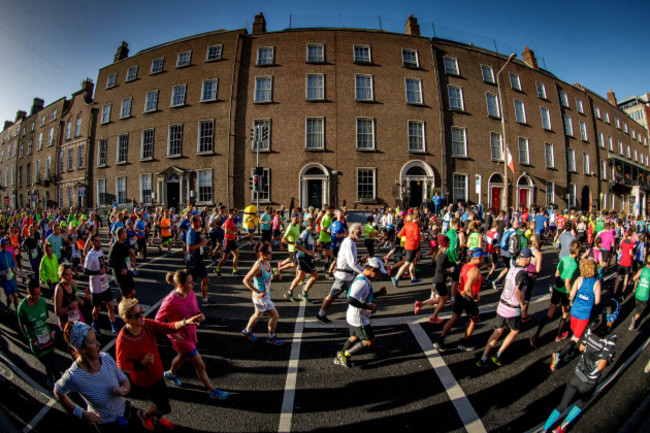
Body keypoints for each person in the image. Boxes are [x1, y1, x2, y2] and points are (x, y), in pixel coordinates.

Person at [116, 297, 202, 430]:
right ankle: (143, 415)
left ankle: (157, 419)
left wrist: (186, 322)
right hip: (145, 381)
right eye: (137, 315)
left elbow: (167, 327)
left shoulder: (147, 325)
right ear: (126, 318)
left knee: (163, 403)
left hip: (157, 374)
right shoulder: (123, 340)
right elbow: (121, 364)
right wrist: (141, 363)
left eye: (142, 312)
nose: (142, 317)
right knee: (164, 406)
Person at [541, 300, 618, 433]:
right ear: (615, 317)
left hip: (576, 374)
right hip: (589, 380)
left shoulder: (593, 326)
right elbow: (601, 366)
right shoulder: (611, 338)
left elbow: (582, 347)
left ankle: (545, 430)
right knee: (581, 403)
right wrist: (609, 360)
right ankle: (561, 428)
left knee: (562, 405)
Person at [154, 269, 230, 400]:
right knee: (200, 365)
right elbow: (158, 321)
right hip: (181, 339)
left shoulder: (191, 294)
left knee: (183, 357)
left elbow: (196, 310)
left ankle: (171, 373)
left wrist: (201, 316)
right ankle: (212, 390)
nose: (194, 284)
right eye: (190, 282)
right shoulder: (170, 301)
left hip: (191, 333)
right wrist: (173, 335)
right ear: (180, 285)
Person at [54, 321, 137, 431]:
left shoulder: (106, 358)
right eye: (93, 342)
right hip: (107, 425)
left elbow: (125, 381)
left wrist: (123, 389)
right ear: (82, 349)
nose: (99, 344)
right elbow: (58, 391)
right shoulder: (74, 376)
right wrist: (82, 413)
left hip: (126, 412)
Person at [476, 249, 532, 367]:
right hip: (512, 308)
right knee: (515, 331)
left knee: (496, 332)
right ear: (527, 259)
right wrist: (522, 303)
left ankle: (483, 357)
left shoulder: (513, 267)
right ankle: (498, 354)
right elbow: (517, 290)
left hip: (502, 305)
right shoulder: (523, 273)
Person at [333, 257, 387, 368]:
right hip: (359, 319)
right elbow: (351, 299)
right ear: (372, 269)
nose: (378, 275)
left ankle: (341, 354)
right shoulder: (362, 283)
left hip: (353, 315)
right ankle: (345, 354)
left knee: (354, 337)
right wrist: (366, 306)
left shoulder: (362, 277)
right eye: (378, 272)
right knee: (369, 340)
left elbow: (362, 296)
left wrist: (378, 294)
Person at [550, 258, 602, 371]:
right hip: (584, 314)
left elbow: (572, 294)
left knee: (574, 332)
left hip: (574, 311)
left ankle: (568, 352)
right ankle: (559, 354)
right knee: (575, 339)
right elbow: (597, 301)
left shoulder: (579, 279)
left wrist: (572, 301)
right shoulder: (596, 283)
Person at [530, 240, 581, 348]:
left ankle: (536, 334)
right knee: (565, 313)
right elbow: (567, 281)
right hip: (565, 292)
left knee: (550, 312)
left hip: (557, 288)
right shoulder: (574, 264)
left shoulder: (564, 258)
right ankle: (559, 335)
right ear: (577, 250)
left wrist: (558, 282)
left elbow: (557, 272)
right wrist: (571, 294)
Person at [434, 247, 486, 352]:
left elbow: (463, 280)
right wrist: (475, 297)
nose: (483, 259)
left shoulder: (465, 266)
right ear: (478, 258)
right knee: (474, 319)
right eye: (482, 258)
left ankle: (440, 340)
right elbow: (468, 288)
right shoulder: (475, 270)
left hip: (459, 294)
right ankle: (464, 342)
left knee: (454, 318)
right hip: (468, 297)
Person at [315, 224, 364, 324]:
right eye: (358, 232)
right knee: (332, 296)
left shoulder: (349, 242)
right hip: (344, 277)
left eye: (361, 232)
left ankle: (359, 315)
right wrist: (365, 272)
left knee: (356, 296)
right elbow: (352, 263)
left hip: (348, 275)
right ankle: (320, 314)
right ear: (352, 232)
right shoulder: (350, 243)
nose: (360, 234)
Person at [18, 278, 60, 387]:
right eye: (34, 294)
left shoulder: (42, 301)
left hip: (47, 339)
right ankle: (57, 384)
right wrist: (28, 337)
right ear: (28, 291)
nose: (37, 297)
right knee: (51, 365)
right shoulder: (22, 308)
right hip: (37, 344)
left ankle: (53, 381)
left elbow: (45, 319)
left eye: (38, 293)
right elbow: (22, 325)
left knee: (52, 363)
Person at [241, 242, 285, 345]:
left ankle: (247, 331)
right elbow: (246, 280)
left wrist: (274, 275)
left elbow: (266, 276)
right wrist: (258, 291)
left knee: (258, 314)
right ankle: (271, 337)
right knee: (275, 316)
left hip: (265, 295)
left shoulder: (267, 262)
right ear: (262, 253)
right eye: (269, 252)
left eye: (271, 252)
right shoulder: (258, 266)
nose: (271, 254)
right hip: (261, 298)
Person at [84, 234, 117, 336]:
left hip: (105, 285)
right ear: (93, 243)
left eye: (100, 241)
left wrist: (106, 268)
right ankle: (95, 323)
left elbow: (102, 264)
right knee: (97, 309)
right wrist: (98, 272)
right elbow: (85, 271)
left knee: (111, 306)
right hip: (96, 287)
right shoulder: (90, 255)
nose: (99, 243)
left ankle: (114, 326)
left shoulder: (101, 251)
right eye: (97, 241)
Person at [414, 235, 451, 324]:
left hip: (437, 280)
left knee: (439, 299)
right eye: (449, 242)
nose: (450, 243)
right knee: (444, 300)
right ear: (445, 243)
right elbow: (440, 269)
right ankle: (434, 317)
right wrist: (449, 270)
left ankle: (420, 304)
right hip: (440, 280)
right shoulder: (443, 255)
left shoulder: (439, 253)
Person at [284, 217, 318, 303]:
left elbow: (308, 245)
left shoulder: (310, 233)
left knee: (300, 277)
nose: (316, 225)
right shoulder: (305, 233)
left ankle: (289, 293)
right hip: (304, 258)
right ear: (310, 224)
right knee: (315, 276)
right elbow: (296, 245)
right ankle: (304, 293)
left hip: (306, 257)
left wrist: (316, 250)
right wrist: (308, 252)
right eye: (314, 223)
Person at [186, 215, 216, 307]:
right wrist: (201, 243)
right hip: (193, 262)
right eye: (198, 221)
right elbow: (189, 248)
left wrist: (204, 243)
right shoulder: (191, 233)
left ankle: (205, 300)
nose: (200, 222)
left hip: (199, 260)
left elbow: (198, 245)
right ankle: (182, 300)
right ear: (193, 222)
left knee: (205, 279)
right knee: (189, 283)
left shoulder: (196, 232)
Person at [391, 213, 422, 286]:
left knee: (413, 262)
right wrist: (420, 238)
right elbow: (417, 237)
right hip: (412, 246)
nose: (420, 220)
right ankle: (396, 277)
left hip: (407, 245)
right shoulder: (416, 226)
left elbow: (400, 234)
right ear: (417, 218)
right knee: (407, 263)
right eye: (419, 218)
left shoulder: (407, 225)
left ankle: (413, 278)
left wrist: (408, 235)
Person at [54, 263, 86, 330]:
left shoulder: (73, 284)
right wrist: (69, 307)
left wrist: (80, 301)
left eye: (71, 274)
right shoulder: (59, 289)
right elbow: (57, 312)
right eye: (67, 275)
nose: (70, 277)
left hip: (77, 317)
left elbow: (76, 297)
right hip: (67, 322)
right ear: (62, 276)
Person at [108, 227, 136, 299]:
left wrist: (130, 263)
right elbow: (110, 262)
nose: (126, 234)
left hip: (128, 271)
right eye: (125, 233)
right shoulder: (115, 246)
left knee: (133, 292)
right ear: (121, 235)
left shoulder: (125, 244)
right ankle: (123, 306)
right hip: (120, 274)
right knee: (127, 294)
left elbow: (126, 256)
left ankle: (120, 301)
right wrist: (120, 269)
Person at [216, 208, 240, 277]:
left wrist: (233, 231)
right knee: (225, 258)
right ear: (230, 214)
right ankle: (218, 270)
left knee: (237, 255)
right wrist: (234, 231)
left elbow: (223, 226)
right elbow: (226, 231)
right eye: (233, 214)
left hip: (232, 241)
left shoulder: (231, 220)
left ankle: (234, 271)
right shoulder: (228, 221)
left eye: (235, 213)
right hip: (227, 241)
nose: (235, 215)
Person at [630, 255, 650, 331]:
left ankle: (636, 313)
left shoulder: (642, 270)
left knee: (638, 306)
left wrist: (639, 281)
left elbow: (634, 278)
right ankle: (635, 318)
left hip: (638, 293)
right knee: (640, 311)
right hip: (645, 295)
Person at [0, 237, 19, 312]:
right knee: (10, 298)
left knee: (15, 296)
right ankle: (8, 304)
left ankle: (17, 310)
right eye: (2, 245)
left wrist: (14, 267)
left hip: (12, 278)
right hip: (5, 280)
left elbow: (13, 263)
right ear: (1, 246)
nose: (4, 247)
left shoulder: (9, 253)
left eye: (5, 245)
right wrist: (1, 272)